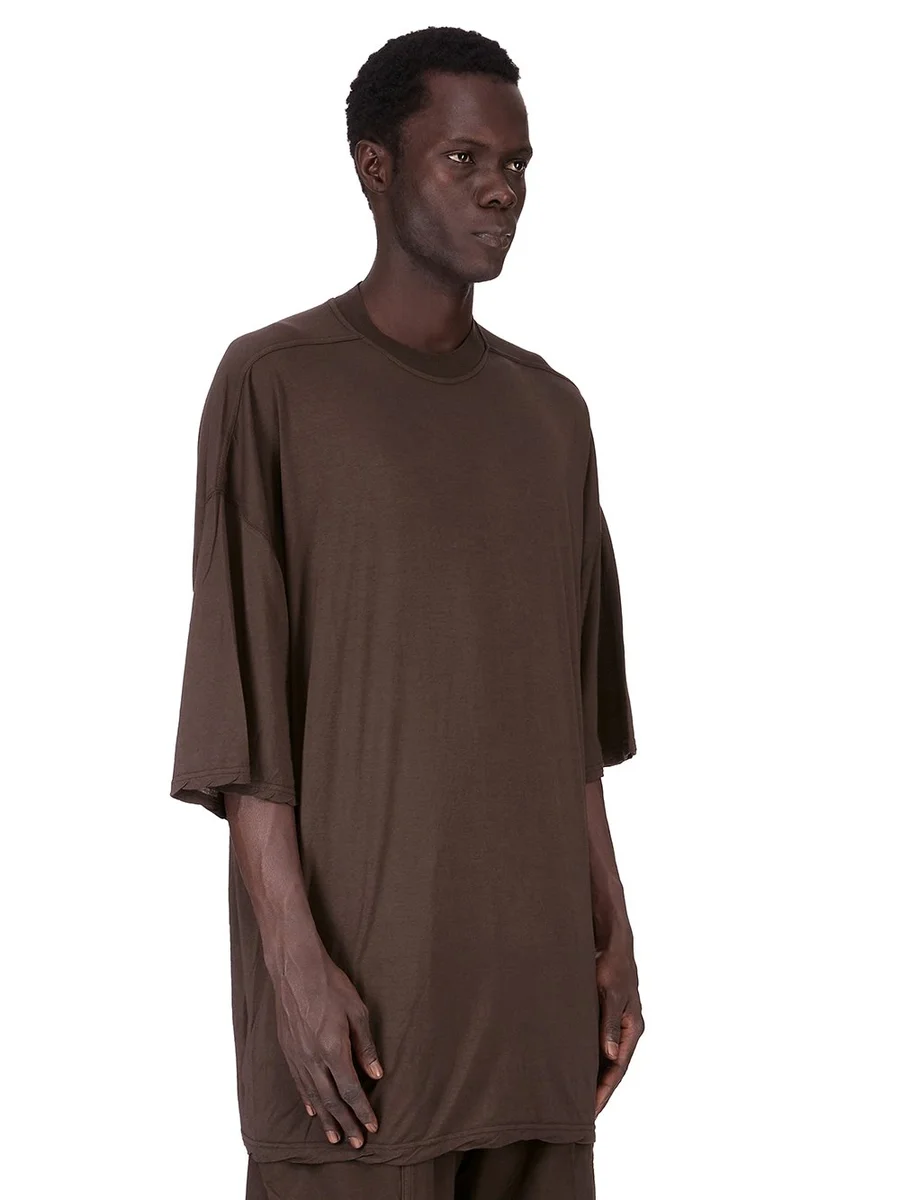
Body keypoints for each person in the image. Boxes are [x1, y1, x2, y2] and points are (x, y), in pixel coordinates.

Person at [169, 25, 643, 1200]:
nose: (501, 189)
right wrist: (292, 965)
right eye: (465, 158)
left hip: (534, 1023)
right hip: (362, 1042)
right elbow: (241, 721)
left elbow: (574, 727)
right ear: (374, 167)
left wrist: (616, 932)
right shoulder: (277, 384)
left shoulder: (552, 414)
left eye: (517, 164)